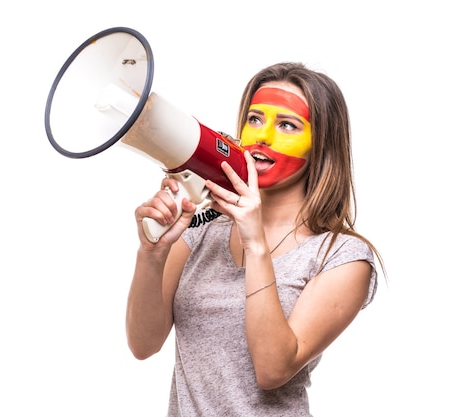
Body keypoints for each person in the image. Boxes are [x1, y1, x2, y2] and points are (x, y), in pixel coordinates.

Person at [126, 62, 383, 416]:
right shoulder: (201, 231)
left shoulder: (341, 256)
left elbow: (273, 369)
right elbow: (144, 344)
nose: (263, 136)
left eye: (288, 125)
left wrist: (255, 243)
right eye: (255, 119)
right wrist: (151, 254)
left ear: (320, 145)